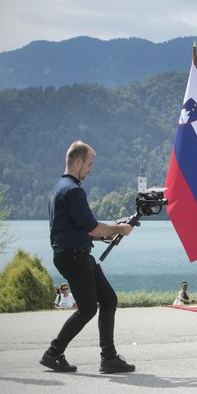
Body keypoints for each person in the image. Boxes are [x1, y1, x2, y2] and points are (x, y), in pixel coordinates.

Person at [40, 141, 135, 374]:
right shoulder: (73, 190)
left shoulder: (59, 188)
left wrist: (102, 234)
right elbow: (91, 227)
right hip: (74, 257)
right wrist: (118, 229)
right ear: (79, 161)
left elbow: (76, 229)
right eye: (90, 164)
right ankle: (53, 353)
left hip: (75, 254)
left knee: (109, 300)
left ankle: (109, 358)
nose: (90, 170)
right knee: (87, 309)